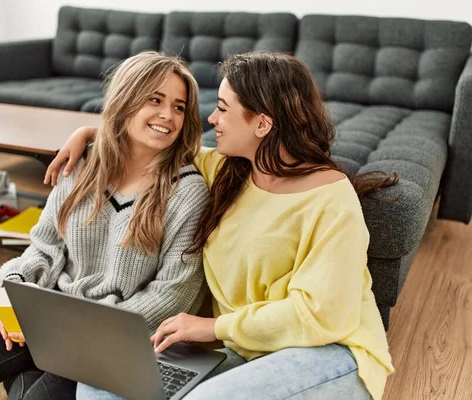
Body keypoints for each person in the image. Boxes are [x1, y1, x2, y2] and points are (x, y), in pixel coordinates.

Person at [46, 52, 398, 400]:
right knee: (101, 379)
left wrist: (213, 327)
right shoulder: (226, 171)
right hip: (242, 350)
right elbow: (158, 140)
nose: (212, 118)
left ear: (262, 123)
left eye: (224, 108)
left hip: (325, 351)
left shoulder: (331, 200)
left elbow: (322, 315)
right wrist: (92, 133)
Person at [0, 51, 209, 400]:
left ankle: (17, 371)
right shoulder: (82, 165)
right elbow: (44, 245)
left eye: (180, 107)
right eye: (155, 99)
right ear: (127, 98)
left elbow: (173, 295)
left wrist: (76, 331)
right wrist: (17, 294)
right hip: (45, 308)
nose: (168, 115)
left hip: (104, 339)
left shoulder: (188, 191)